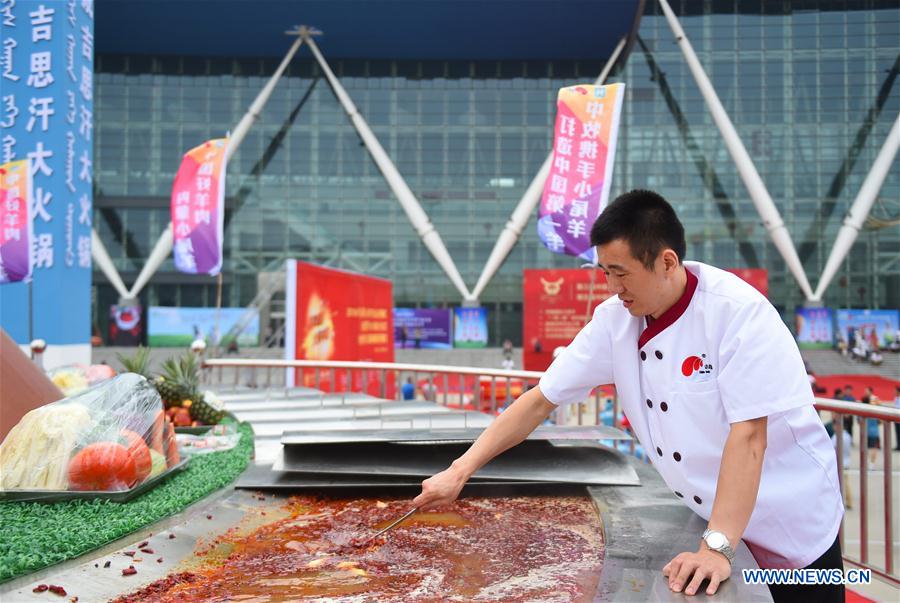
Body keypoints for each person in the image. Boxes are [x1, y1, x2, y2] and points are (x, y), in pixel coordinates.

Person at [413, 190, 843, 602]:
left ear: (667, 262)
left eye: (621, 272)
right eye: (605, 272)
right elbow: (540, 399)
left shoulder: (739, 314)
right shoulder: (614, 321)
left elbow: (749, 436)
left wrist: (716, 547)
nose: (612, 286)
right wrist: (460, 470)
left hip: (790, 525)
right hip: (712, 515)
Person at [860, 386, 881, 469]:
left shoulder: (863, 409)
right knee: (873, 448)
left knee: (866, 447)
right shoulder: (875, 408)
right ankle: (871, 463)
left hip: (866, 430)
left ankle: (866, 462)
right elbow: (880, 420)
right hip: (874, 430)